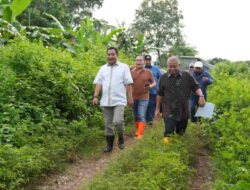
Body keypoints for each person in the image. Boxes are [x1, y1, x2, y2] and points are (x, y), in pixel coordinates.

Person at [154, 56, 206, 142]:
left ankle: (178, 149)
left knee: (181, 132)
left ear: (179, 65)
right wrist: (157, 109)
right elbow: (160, 94)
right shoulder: (163, 78)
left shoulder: (187, 76)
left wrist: (201, 96)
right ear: (167, 66)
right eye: (170, 66)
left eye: (175, 66)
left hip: (183, 109)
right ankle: (166, 150)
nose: (172, 68)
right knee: (169, 131)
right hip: (168, 109)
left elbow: (196, 87)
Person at [92, 47, 133, 152]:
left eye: (112, 54)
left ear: (117, 55)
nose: (110, 56)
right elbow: (98, 83)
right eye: (108, 54)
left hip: (119, 100)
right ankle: (109, 146)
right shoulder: (102, 68)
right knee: (108, 125)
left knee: (118, 121)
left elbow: (128, 83)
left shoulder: (124, 67)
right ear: (107, 55)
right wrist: (95, 96)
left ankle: (121, 138)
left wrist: (130, 97)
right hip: (105, 101)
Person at [131, 55, 156, 139]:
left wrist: (150, 86)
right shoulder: (132, 72)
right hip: (134, 97)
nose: (139, 62)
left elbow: (153, 82)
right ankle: (139, 130)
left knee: (141, 114)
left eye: (140, 60)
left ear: (144, 62)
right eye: (137, 60)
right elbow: (128, 84)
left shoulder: (148, 72)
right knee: (135, 115)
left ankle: (140, 134)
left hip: (144, 96)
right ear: (135, 62)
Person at [144, 54, 161, 126]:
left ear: (151, 61)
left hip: (153, 92)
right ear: (144, 61)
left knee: (151, 108)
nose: (147, 61)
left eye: (149, 60)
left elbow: (159, 79)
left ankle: (149, 124)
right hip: (143, 92)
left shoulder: (156, 69)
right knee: (144, 108)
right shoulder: (141, 68)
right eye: (146, 60)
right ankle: (143, 123)